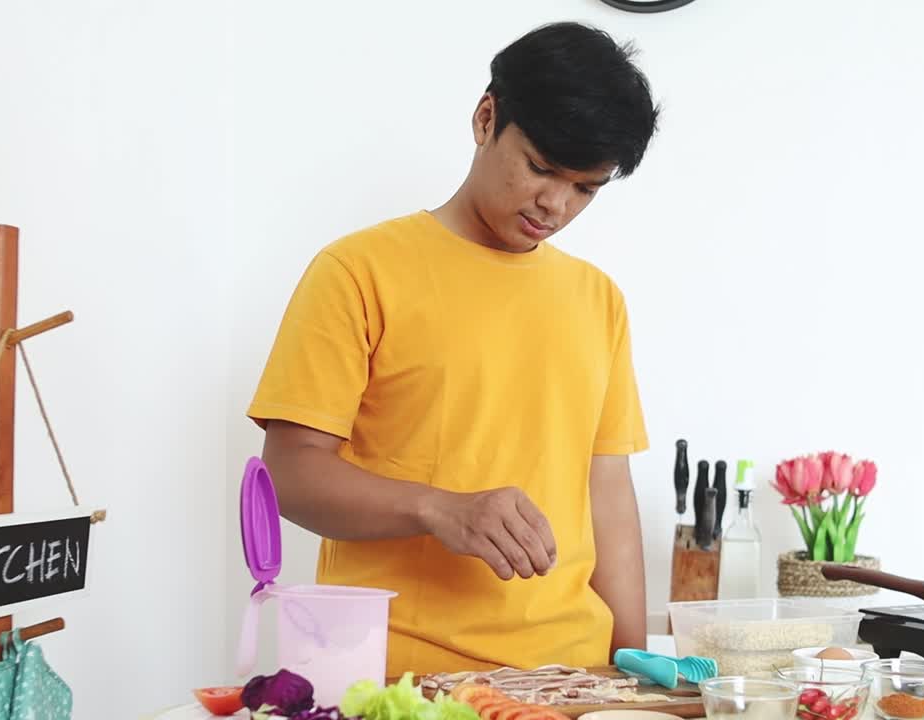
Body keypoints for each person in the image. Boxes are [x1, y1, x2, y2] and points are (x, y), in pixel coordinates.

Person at [247, 21, 659, 676]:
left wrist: (636, 672)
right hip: (399, 680)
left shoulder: (597, 299)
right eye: (541, 168)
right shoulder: (358, 271)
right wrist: (439, 508)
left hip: (572, 681)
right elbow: (288, 477)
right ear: (486, 117)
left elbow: (607, 492)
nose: (554, 205)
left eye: (586, 188)